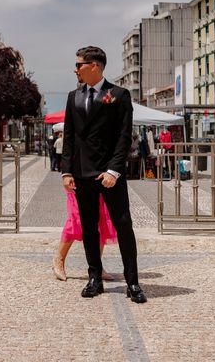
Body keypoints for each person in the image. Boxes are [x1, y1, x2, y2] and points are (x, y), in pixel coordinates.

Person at [61, 46, 146, 303]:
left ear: (94, 66)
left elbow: (124, 137)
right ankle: (94, 278)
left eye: (79, 65)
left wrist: (114, 170)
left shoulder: (119, 95)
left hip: (109, 175)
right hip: (82, 174)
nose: (75, 69)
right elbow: (69, 137)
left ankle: (133, 282)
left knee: (123, 227)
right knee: (89, 229)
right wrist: (66, 171)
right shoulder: (73, 97)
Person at [52, 192, 116, 282]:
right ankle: (59, 259)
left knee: (101, 219)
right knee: (77, 220)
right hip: (79, 182)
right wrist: (67, 177)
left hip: (100, 183)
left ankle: (97, 266)